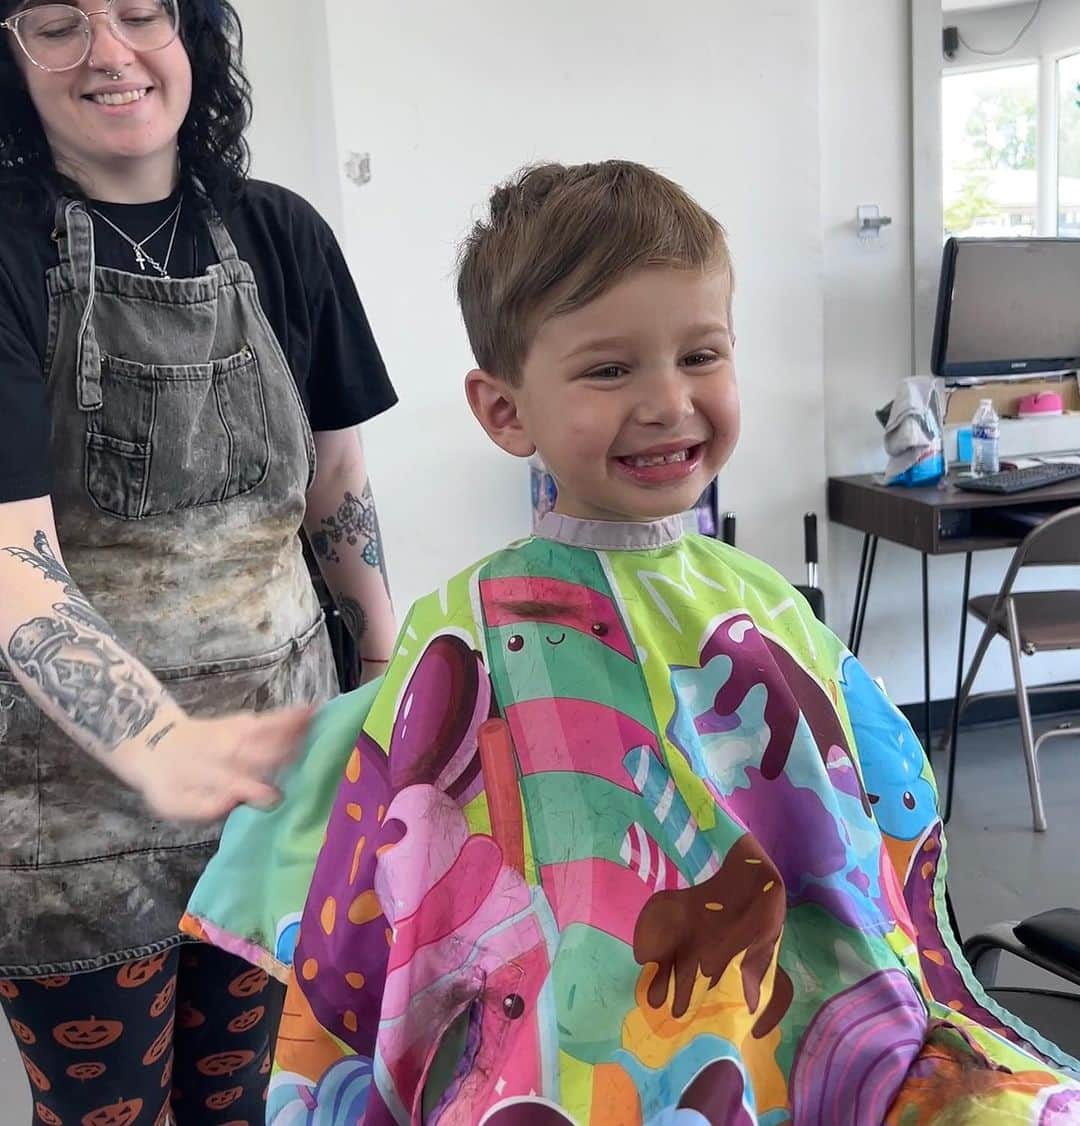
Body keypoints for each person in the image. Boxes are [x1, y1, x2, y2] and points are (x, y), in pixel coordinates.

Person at [185, 161, 1080, 1124]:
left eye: (701, 356)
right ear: (504, 409)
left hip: (800, 1032)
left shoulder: (763, 603)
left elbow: (861, 826)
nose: (667, 401)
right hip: (562, 1057)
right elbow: (402, 857)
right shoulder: (472, 627)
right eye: (610, 370)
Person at [0, 0, 398, 1125]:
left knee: (251, 1104)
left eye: (136, 5)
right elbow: (10, 560)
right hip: (73, 814)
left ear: (187, 25)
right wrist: (157, 745)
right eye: (54, 21)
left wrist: (387, 682)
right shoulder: (3, 254)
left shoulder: (280, 231)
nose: (107, 48)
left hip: (280, 785)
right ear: (9, 60)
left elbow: (336, 479)